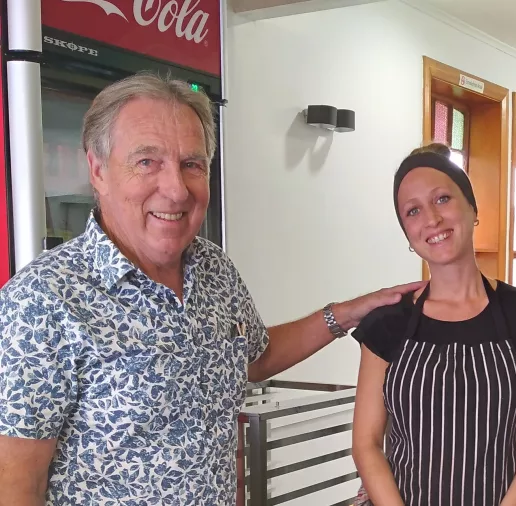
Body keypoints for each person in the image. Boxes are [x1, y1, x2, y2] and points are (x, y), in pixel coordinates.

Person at [0, 73, 423, 505]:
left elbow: (255, 358)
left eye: (192, 164)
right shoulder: (41, 301)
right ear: (98, 170)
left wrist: (346, 314)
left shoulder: (213, 268)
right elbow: (15, 487)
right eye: (147, 162)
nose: (175, 189)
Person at [351, 143, 516, 506]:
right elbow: (366, 444)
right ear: (407, 233)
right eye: (413, 211)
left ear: (473, 208)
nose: (432, 220)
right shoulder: (386, 324)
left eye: (442, 199)